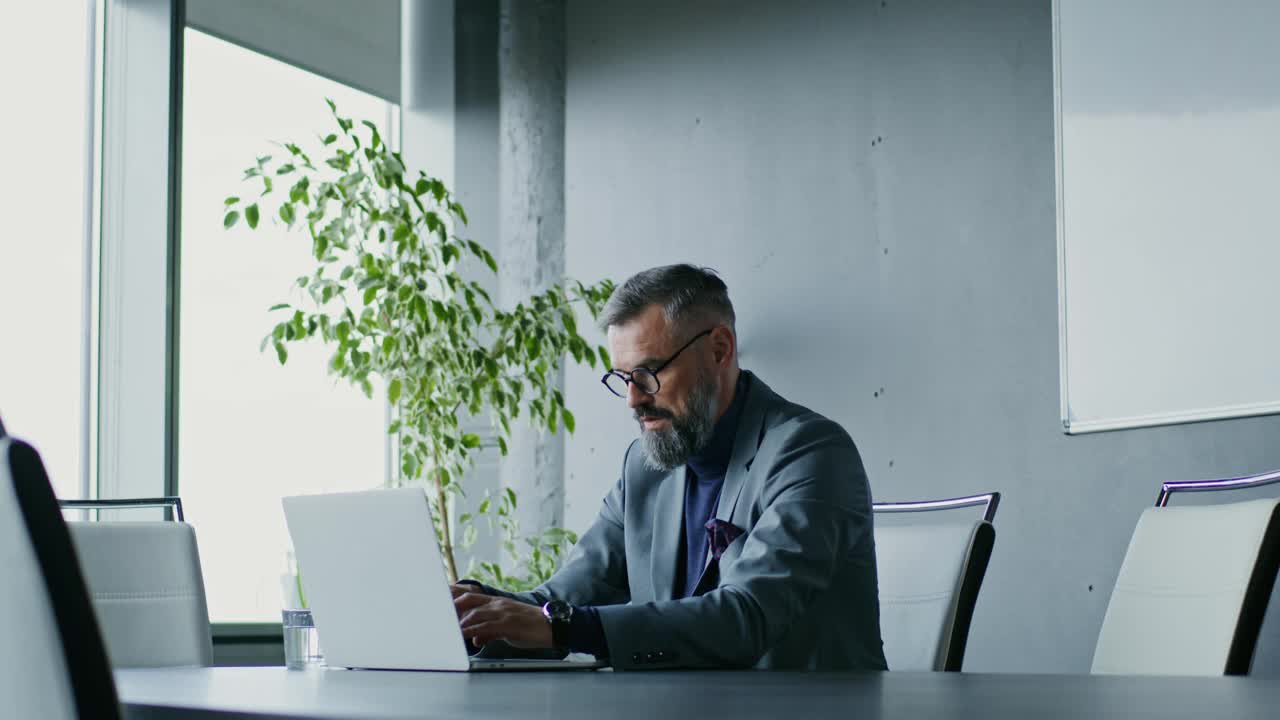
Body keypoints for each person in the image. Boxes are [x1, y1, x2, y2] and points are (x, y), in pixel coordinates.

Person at [452, 264, 886, 671]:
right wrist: (472, 608)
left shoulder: (811, 453)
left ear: (719, 349)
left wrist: (562, 626)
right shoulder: (644, 466)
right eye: (623, 377)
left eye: (648, 372)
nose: (634, 398)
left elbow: (746, 616)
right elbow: (560, 600)